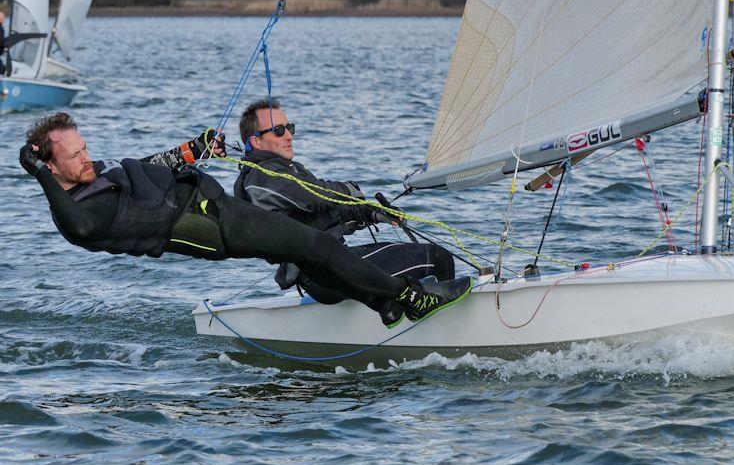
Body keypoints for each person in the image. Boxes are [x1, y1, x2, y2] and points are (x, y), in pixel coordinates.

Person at [19, 112, 472, 328]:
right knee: (320, 248)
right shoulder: (76, 213)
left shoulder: (96, 176)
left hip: (215, 208)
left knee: (312, 257)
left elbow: (147, 169)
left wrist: (192, 150)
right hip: (213, 226)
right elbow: (77, 228)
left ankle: (385, 306)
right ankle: (412, 299)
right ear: (50, 165)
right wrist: (41, 175)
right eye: (73, 156)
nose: (84, 158)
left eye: (83, 148)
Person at [234, 99, 456, 303]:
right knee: (437, 258)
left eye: (289, 128)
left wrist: (369, 213)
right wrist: (349, 190)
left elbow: (321, 216)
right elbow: (313, 195)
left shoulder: (281, 172)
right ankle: (443, 329)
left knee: (421, 267)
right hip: (325, 273)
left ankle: (412, 311)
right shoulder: (262, 177)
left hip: (333, 266)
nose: (289, 136)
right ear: (256, 141)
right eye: (279, 131)